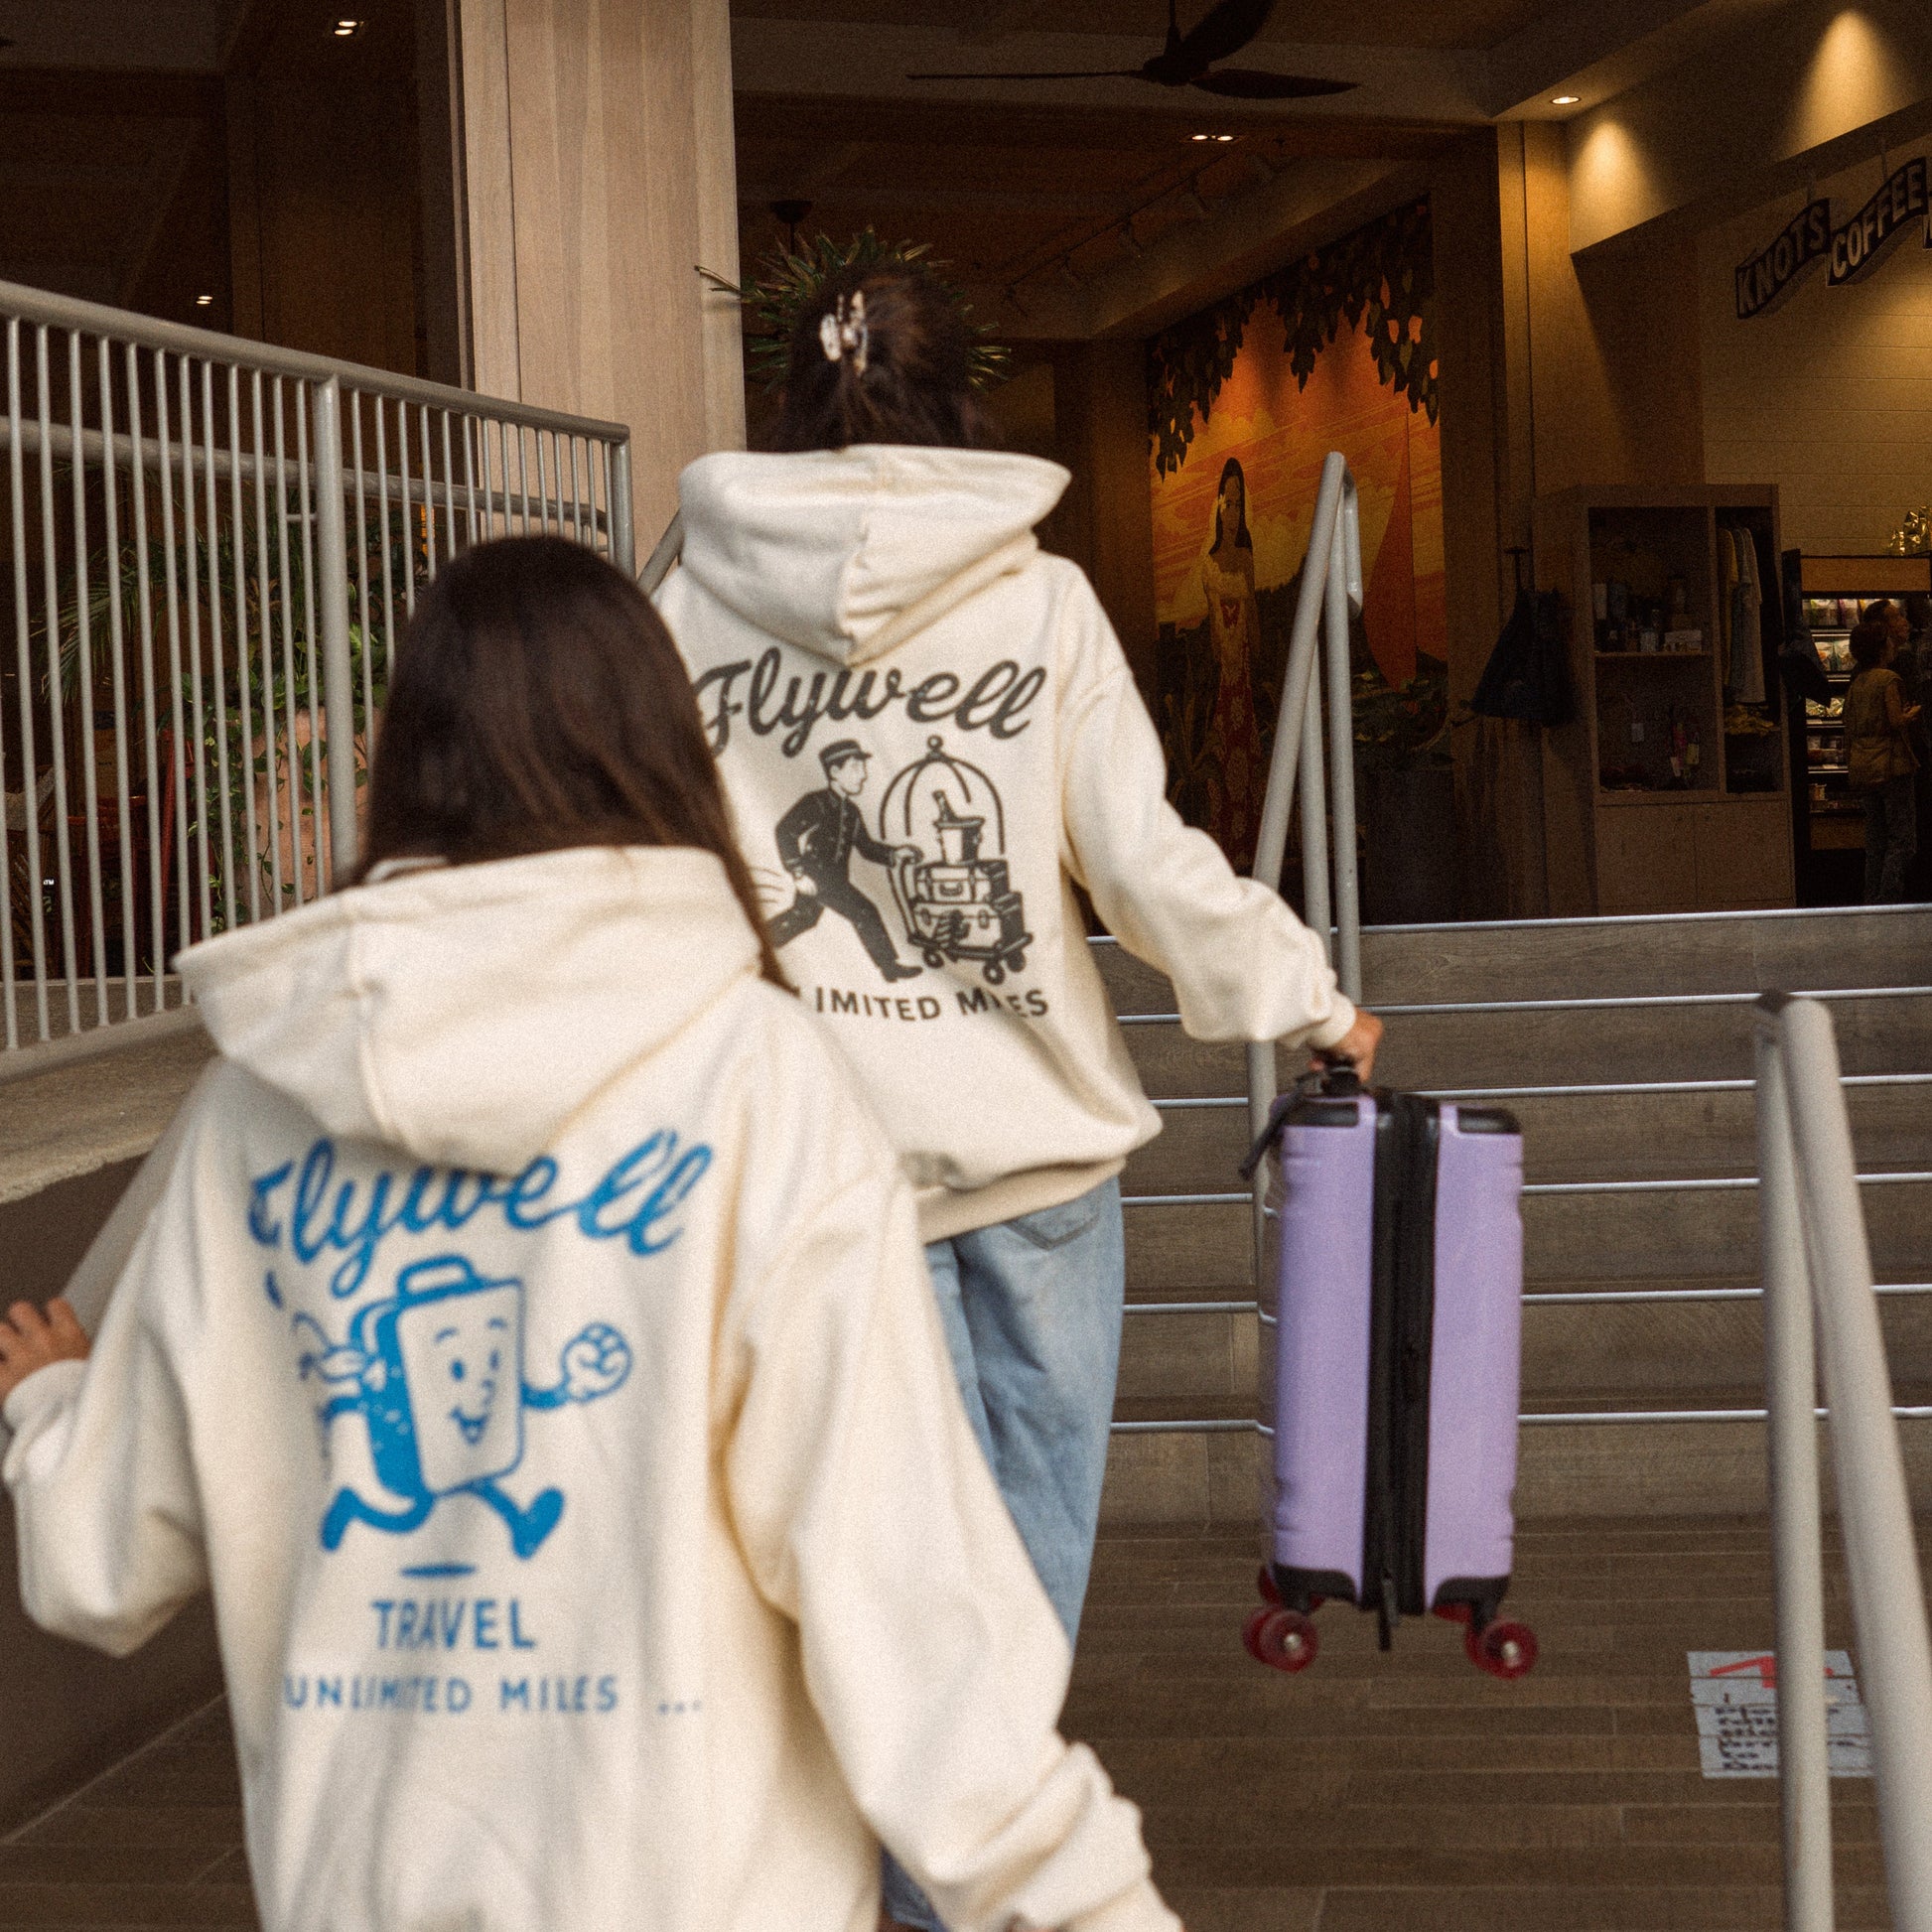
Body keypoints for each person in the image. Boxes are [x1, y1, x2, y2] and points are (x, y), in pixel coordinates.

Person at [0, 537, 1182, 1932]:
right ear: (661, 748)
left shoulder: (252, 1110)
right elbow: (904, 1600)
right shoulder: (757, 1083)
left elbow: (100, 1564)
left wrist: (52, 1404)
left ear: (403, 755)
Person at [654, 264, 1381, 1932]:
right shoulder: (1035, 603)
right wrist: (1312, 999)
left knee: (800, 1580)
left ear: (793, 398)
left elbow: (640, 861)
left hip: (783, 1175)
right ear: (959, 394)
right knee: (1002, 1599)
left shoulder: (685, 603)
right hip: (1023, 1174)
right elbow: (1141, 867)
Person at [769, 737, 921, 977]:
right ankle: (889, 968)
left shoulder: (851, 811)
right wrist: (798, 873)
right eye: (855, 768)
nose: (863, 775)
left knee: (803, 917)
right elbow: (785, 831)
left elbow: (866, 847)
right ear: (834, 771)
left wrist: (894, 853)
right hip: (818, 877)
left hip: (835, 878)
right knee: (865, 912)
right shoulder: (816, 802)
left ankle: (753, 944)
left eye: (863, 768)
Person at [1197, 456, 1265, 868]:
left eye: (1240, 504)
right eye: (1228, 503)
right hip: (1223, 679)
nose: (1233, 513)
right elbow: (1210, 632)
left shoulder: (1247, 558)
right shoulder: (1208, 564)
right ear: (1218, 507)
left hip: (1244, 682)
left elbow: (1254, 616)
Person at [1845, 615, 1920, 903]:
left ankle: (1870, 899)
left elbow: (1849, 727)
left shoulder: (1857, 682)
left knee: (1875, 841)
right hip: (1892, 766)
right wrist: (1911, 713)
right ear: (1881, 648)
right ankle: (1888, 900)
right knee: (1902, 841)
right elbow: (1895, 721)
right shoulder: (1888, 679)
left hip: (1864, 767)